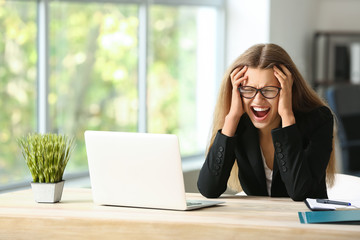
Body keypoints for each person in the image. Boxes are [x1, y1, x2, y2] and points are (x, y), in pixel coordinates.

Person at [197, 43, 335, 201]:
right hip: (259, 221)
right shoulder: (239, 123)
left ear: (287, 90)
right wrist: (232, 117)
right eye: (248, 89)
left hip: (306, 222)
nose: (258, 100)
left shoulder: (319, 120)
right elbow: (209, 189)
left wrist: (287, 117)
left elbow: (300, 192)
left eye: (269, 90)